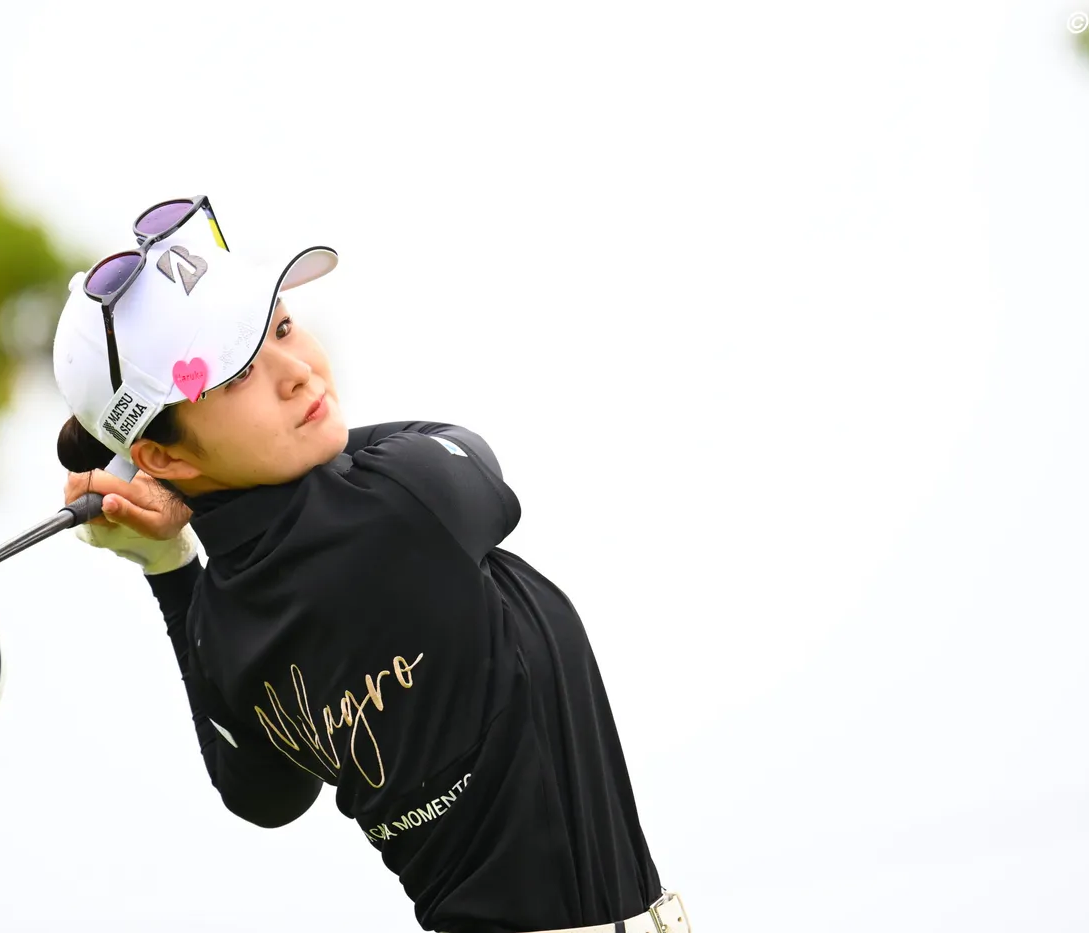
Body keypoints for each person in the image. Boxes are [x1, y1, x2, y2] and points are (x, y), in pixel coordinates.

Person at [51, 195, 690, 933]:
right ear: (162, 457)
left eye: (281, 327)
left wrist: (169, 561)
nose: (296, 370)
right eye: (237, 374)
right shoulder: (404, 501)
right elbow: (474, 458)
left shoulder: (216, 622)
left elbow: (261, 796)